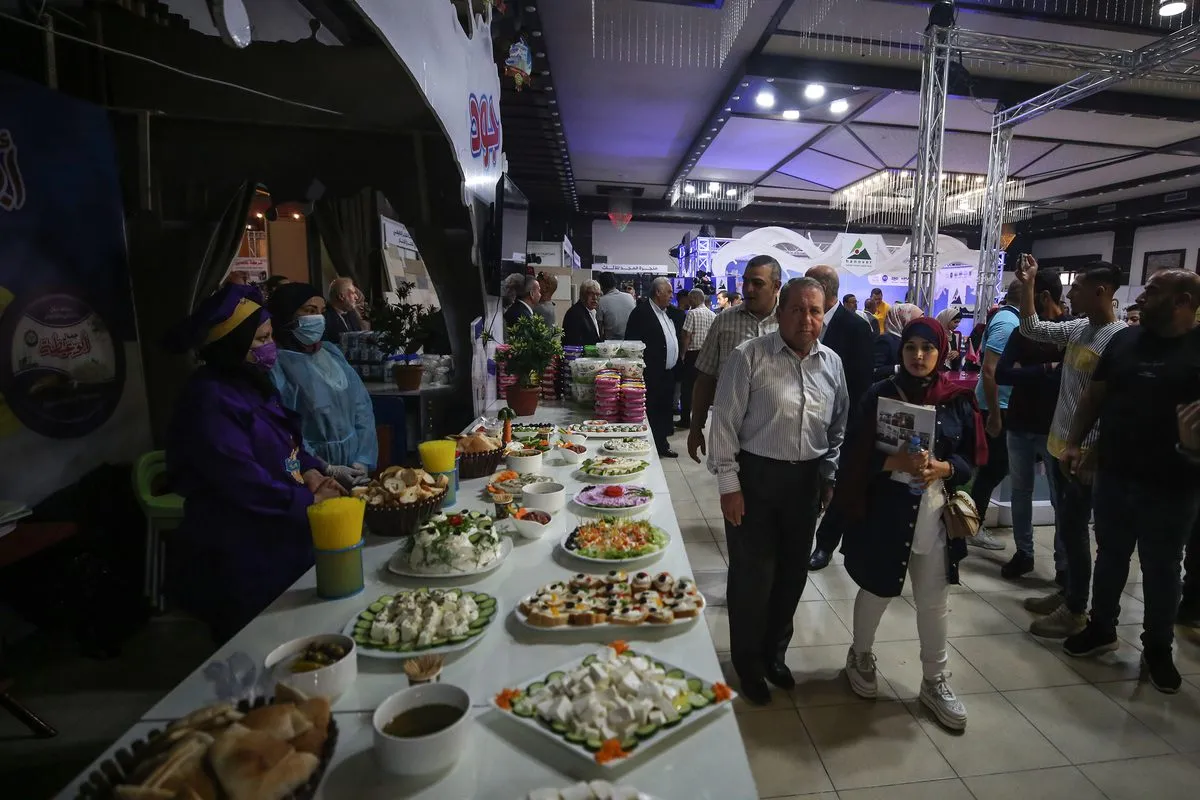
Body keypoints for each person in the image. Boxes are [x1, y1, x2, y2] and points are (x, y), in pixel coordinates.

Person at [164, 285, 346, 642]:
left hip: (282, 541)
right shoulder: (209, 402)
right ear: (232, 343)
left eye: (270, 336)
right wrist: (309, 501)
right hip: (241, 550)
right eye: (261, 339)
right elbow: (241, 481)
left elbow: (285, 440)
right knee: (253, 649)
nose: (270, 346)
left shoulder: (250, 385)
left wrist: (310, 469)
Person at [1057, 270, 1200, 693]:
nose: (1141, 298)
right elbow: (1094, 396)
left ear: (1183, 301)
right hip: (1115, 474)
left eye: (1153, 292)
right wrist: (1074, 442)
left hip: (1173, 482)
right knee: (1111, 555)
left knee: (1162, 567)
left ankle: (1157, 648)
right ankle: (1102, 626)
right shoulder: (1124, 341)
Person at [840, 317, 985, 731]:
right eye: (910, 348)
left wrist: (945, 468)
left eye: (928, 348)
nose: (918, 356)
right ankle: (860, 654)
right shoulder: (879, 394)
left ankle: (934, 680)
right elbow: (853, 454)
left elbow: (969, 459)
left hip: (935, 516)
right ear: (901, 350)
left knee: (934, 600)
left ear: (942, 352)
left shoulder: (956, 399)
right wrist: (893, 462)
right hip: (885, 513)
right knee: (877, 589)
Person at [708, 277, 849, 705]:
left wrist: (829, 476)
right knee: (753, 577)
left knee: (791, 575)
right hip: (756, 479)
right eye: (798, 310)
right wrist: (729, 486)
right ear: (780, 312)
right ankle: (748, 663)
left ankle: (774, 654)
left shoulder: (832, 364)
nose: (807, 319)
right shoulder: (749, 356)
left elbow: (838, 427)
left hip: (805, 483)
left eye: (815, 311)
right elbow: (724, 424)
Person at [1014, 257, 1126, 639]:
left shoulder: (1118, 339)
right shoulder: (1079, 327)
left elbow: (1112, 405)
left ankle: (1076, 608)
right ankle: (1068, 592)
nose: (1070, 293)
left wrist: (1092, 452)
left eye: (1077, 287)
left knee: (1076, 531)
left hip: (1084, 456)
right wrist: (1029, 283)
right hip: (1059, 446)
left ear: (1101, 292)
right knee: (1067, 527)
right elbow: (1031, 327)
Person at [994, 269, 1069, 581]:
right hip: (1020, 422)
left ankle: (1064, 565)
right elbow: (1002, 374)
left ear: (1043, 297)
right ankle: (1024, 553)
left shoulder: (1070, 330)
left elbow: (1068, 377)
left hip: (1056, 427)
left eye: (1027, 294)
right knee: (1020, 491)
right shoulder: (1022, 332)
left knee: (1060, 498)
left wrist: (1027, 371)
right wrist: (1045, 368)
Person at [267, 283, 378, 487]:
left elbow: (361, 407)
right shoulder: (276, 367)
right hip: (309, 478)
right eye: (310, 311)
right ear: (287, 315)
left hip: (354, 468)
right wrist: (326, 468)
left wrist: (363, 459)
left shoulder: (331, 353)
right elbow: (284, 429)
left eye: (321, 311)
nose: (318, 318)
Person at [804, 265, 876, 572]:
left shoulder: (855, 327)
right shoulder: (803, 320)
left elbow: (861, 382)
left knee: (837, 484)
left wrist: (849, 428)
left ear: (823, 287)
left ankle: (824, 544)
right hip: (804, 420)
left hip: (840, 423)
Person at [687, 255, 782, 462]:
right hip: (730, 432)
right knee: (730, 481)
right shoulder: (724, 320)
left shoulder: (787, 322)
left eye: (757, 283)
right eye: (746, 281)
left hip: (776, 435)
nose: (748, 289)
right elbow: (705, 378)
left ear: (776, 286)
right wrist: (696, 427)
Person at [965, 283, 1023, 552]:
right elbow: (989, 370)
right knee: (992, 468)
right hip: (996, 406)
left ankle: (970, 523)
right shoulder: (1008, 323)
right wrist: (996, 415)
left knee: (992, 468)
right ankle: (972, 526)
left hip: (1000, 404)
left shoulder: (1010, 319)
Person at [625, 277, 681, 457]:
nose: (671, 296)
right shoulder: (641, 313)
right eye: (669, 292)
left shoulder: (666, 313)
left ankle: (662, 444)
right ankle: (650, 446)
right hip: (651, 373)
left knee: (664, 411)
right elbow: (631, 344)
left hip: (667, 373)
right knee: (652, 411)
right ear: (658, 292)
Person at [678, 288, 715, 430]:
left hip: (692, 354)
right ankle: (700, 421)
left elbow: (686, 335)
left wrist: (683, 354)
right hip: (706, 354)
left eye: (690, 299)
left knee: (687, 389)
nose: (688, 302)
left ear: (694, 298)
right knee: (703, 389)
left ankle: (685, 420)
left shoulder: (692, 313)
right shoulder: (712, 315)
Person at [872, 303, 923, 381]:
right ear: (903, 320)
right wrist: (898, 368)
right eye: (917, 322)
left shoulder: (910, 340)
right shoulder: (886, 339)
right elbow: (874, 370)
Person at [562, 279, 603, 347]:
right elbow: (573, 343)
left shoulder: (592, 311)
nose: (595, 298)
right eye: (591, 294)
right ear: (582, 295)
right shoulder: (575, 313)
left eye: (598, 294)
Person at [324, 277, 365, 344]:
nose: (356, 297)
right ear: (341, 296)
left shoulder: (352, 313)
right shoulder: (325, 318)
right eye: (353, 293)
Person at [597, 271, 635, 339]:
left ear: (601, 286)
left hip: (610, 343)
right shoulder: (630, 297)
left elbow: (599, 329)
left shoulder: (601, 301)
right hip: (631, 341)